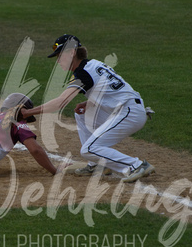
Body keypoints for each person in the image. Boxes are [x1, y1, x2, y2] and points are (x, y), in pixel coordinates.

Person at [20, 34, 155, 183]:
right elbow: (110, 90)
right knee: (82, 114)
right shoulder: (93, 64)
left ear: (72, 53)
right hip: (130, 108)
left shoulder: (83, 73)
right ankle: (97, 165)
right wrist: (90, 103)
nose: (57, 61)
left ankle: (136, 165)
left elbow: (60, 102)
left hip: (129, 113)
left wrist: (27, 112)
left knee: (88, 149)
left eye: (60, 56)